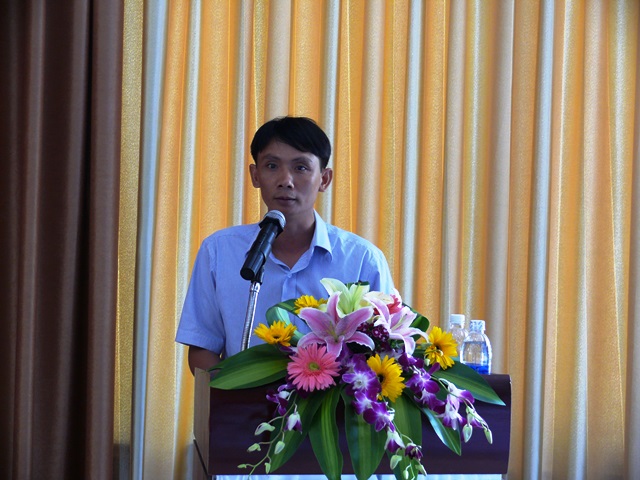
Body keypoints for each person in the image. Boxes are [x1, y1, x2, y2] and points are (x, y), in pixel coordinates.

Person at [176, 115, 394, 374]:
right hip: (242, 400)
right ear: (255, 175)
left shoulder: (362, 261)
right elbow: (203, 348)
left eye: (301, 168)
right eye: (271, 166)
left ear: (324, 179)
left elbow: (386, 348)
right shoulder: (219, 252)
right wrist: (234, 395)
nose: (285, 180)